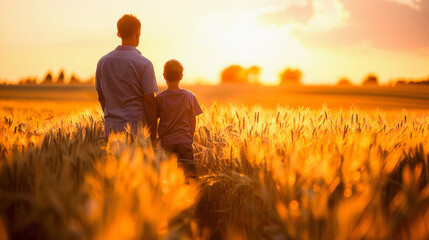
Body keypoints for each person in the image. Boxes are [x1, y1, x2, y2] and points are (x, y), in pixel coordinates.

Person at [95, 14, 158, 142]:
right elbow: (150, 101)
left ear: (118, 33)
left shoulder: (103, 62)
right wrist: (153, 135)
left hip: (111, 130)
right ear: (138, 32)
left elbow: (101, 97)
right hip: (138, 131)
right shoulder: (145, 64)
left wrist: (112, 117)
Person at [156, 59, 203, 179]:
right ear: (181, 76)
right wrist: (189, 136)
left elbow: (154, 119)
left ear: (164, 76)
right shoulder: (189, 96)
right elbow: (193, 120)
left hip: (166, 143)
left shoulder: (160, 98)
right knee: (189, 178)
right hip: (184, 142)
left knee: (167, 179)